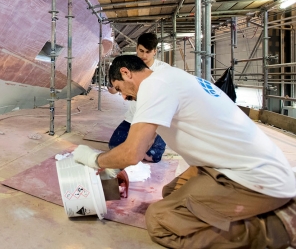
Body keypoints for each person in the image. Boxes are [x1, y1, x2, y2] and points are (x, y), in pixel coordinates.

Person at [73, 55, 296, 248]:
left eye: (120, 89)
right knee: (171, 192)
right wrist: (115, 167)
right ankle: (247, 212)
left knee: (160, 221)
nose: (123, 97)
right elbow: (145, 142)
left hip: (253, 177)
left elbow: (132, 152)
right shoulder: (170, 77)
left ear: (126, 72)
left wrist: (94, 159)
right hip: (231, 165)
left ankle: (276, 228)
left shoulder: (154, 86)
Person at [108, 32, 167, 162]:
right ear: (136, 49)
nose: (144, 55)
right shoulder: (130, 66)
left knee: (153, 155)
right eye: (141, 51)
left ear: (154, 51)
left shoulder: (163, 71)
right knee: (114, 146)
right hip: (133, 117)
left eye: (148, 52)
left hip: (155, 120)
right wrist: (115, 87)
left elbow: (164, 110)